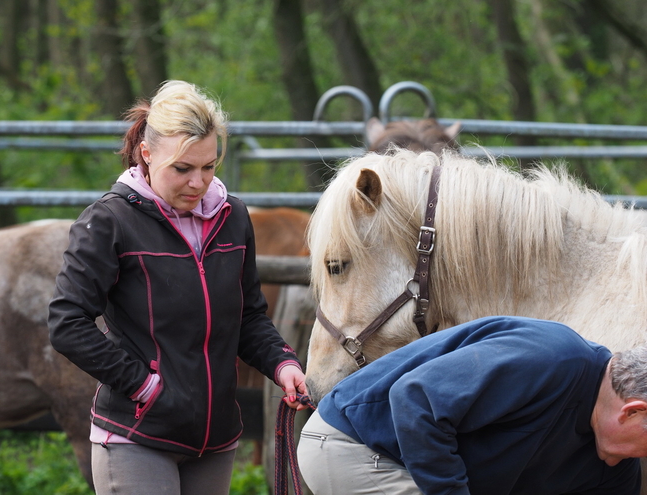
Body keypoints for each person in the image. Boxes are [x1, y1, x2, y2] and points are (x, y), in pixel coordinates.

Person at [48, 80, 308, 495]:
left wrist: (283, 364)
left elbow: (248, 316)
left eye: (209, 166)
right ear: (147, 154)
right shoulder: (108, 222)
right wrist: (144, 386)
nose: (198, 182)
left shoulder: (234, 218)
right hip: (137, 438)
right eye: (182, 169)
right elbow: (67, 323)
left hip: (217, 442)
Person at [297, 315, 647, 495]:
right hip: (354, 442)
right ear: (632, 411)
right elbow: (414, 399)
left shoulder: (615, 466)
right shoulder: (554, 359)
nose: (640, 459)